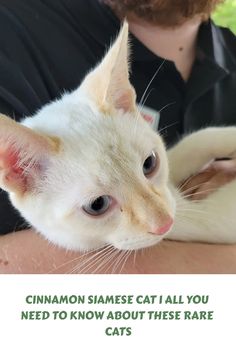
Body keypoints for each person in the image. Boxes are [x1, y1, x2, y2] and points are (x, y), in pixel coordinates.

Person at [0, 0, 236, 273]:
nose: (162, 221)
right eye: (97, 204)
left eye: (149, 163)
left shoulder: (229, 50)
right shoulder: (14, 31)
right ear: (18, 169)